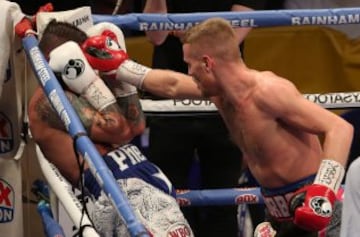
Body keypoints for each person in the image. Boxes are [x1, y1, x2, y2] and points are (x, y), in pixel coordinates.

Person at [84, 17, 353, 237]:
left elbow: (339, 128)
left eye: (190, 64)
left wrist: (323, 191)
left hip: (315, 207)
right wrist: (120, 67)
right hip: (279, 212)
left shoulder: (268, 91)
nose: (189, 72)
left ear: (207, 63)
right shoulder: (220, 94)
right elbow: (172, 85)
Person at [28, 20, 193, 236]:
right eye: (85, 61)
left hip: (144, 175)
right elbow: (120, 131)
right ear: (63, 60)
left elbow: (136, 125)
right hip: (114, 190)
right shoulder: (48, 101)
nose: (91, 69)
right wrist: (91, 84)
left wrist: (116, 70)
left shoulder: (76, 88)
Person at [142, 1, 252, 236]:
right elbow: (156, 35)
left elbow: (229, 41)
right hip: (168, 105)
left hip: (221, 99)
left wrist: (181, 28)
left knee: (223, 201)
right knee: (167, 200)